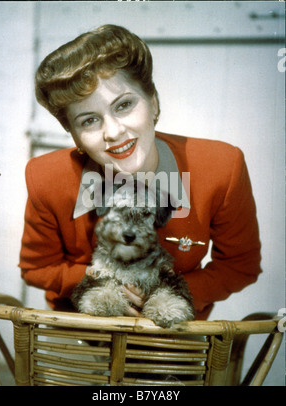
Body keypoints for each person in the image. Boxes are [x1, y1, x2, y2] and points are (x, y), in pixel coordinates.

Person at [19, 24, 262, 320]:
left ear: (154, 103)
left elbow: (241, 265)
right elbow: (36, 268)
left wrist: (167, 293)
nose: (114, 131)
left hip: (171, 339)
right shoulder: (46, 177)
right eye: (89, 120)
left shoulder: (223, 166)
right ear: (74, 135)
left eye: (124, 105)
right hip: (81, 334)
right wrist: (105, 284)